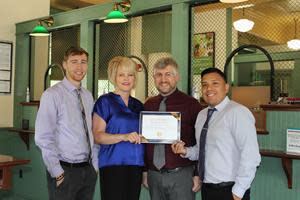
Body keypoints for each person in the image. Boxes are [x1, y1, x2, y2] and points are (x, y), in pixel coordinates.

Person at [172, 67, 261, 200]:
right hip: (207, 189)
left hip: (231, 190)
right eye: (204, 85)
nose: (209, 89)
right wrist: (185, 151)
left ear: (226, 87)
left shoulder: (238, 112)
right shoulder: (202, 115)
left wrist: (239, 191)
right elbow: (203, 149)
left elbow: (251, 155)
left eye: (215, 83)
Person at [35, 46, 98, 200]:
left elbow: (92, 131)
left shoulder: (88, 96)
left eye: (83, 62)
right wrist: (57, 172)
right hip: (64, 171)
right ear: (64, 64)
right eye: (74, 62)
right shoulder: (52, 95)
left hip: (87, 170)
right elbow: (43, 137)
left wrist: (95, 166)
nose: (79, 67)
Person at [143, 57, 203, 200]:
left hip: (182, 175)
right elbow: (145, 143)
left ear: (177, 77)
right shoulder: (148, 105)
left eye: (168, 74)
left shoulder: (191, 105)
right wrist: (145, 171)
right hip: (154, 175)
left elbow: (201, 141)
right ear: (154, 78)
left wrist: (197, 174)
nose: (163, 79)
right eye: (159, 75)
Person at [92, 56, 144, 200]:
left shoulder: (139, 105)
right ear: (114, 77)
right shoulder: (104, 102)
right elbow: (98, 136)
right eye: (121, 75)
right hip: (112, 164)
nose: (126, 79)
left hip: (136, 164)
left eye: (130, 75)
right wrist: (124, 136)